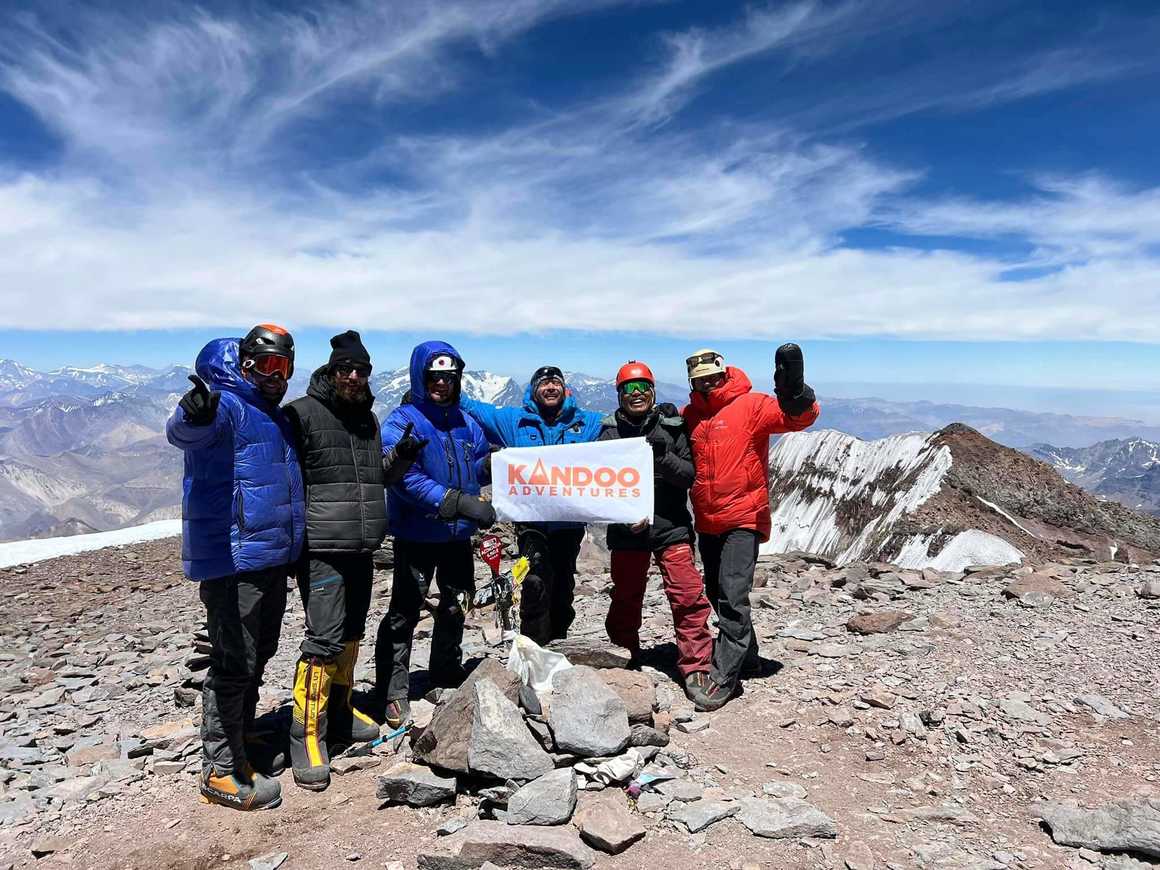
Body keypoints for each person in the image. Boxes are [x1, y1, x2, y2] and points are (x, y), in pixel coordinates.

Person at [166, 324, 305, 811]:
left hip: (268, 556)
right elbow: (185, 431)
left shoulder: (270, 414)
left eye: (284, 366)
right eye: (266, 365)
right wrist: (192, 411)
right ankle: (220, 769)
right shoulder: (224, 405)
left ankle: (241, 738)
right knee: (234, 662)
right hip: (233, 559)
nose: (276, 375)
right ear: (244, 366)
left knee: (259, 652)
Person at [282, 330, 425, 791]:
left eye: (360, 370)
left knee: (352, 634)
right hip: (322, 548)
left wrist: (401, 457)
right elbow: (285, 479)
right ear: (330, 371)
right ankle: (306, 734)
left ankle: (340, 713)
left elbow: (375, 477)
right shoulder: (302, 414)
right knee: (323, 640)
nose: (353, 376)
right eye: (345, 368)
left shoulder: (368, 419)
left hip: (362, 545)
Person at [681, 345, 820, 712]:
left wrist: (795, 394)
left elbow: (798, 419)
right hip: (708, 520)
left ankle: (725, 677)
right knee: (716, 591)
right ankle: (750, 657)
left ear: (723, 372)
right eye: (699, 379)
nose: (707, 383)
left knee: (731, 594)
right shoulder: (691, 415)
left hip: (744, 517)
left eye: (712, 376)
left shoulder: (752, 405)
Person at [375, 341, 494, 728]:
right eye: (435, 376)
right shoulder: (403, 420)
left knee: (458, 601)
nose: (443, 383)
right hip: (418, 533)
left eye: (450, 376)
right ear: (421, 377)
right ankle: (393, 690)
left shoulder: (465, 421)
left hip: (457, 536)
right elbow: (403, 478)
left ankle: (444, 670)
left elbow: (475, 465)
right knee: (405, 610)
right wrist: (455, 501)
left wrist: (493, 467)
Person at [460, 366, 603, 644]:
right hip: (531, 521)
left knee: (563, 586)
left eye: (555, 383)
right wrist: (439, 386)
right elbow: (473, 408)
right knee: (535, 581)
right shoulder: (514, 421)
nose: (550, 388)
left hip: (568, 523)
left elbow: (622, 421)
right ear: (533, 390)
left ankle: (560, 644)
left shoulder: (586, 422)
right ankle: (533, 646)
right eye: (544, 384)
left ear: (565, 389)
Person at [599, 361, 714, 699]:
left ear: (652, 391)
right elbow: (598, 489)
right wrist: (623, 517)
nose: (636, 395)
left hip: (670, 527)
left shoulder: (672, 429)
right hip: (627, 533)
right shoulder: (608, 435)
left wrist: (662, 456)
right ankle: (623, 656)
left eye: (642, 388)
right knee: (625, 598)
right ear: (620, 395)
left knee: (687, 594)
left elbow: (688, 476)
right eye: (629, 389)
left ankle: (696, 668)